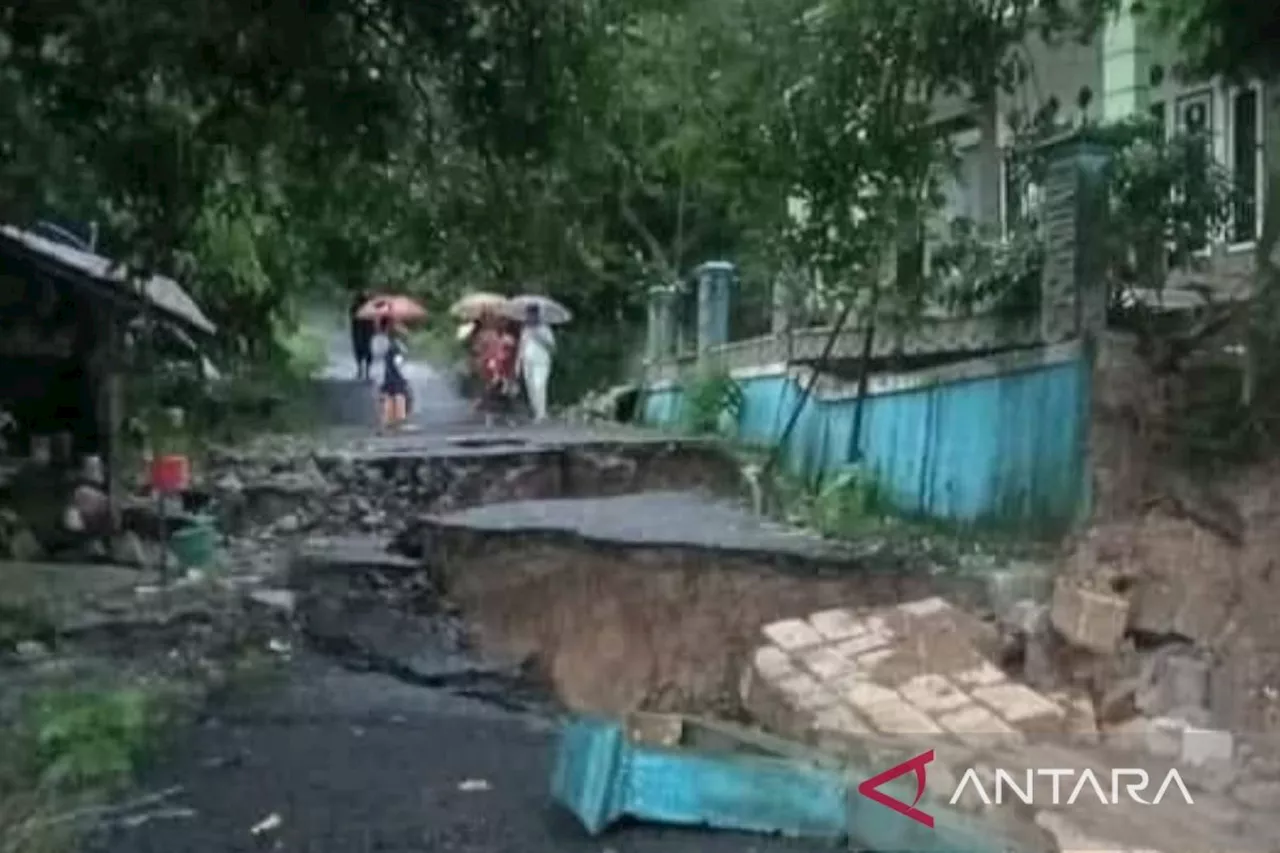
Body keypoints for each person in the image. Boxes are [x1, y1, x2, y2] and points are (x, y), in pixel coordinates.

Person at [517, 303, 555, 422]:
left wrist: (538, 337)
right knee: (531, 388)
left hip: (541, 361)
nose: (530, 317)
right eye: (528, 315)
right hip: (527, 362)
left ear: (537, 315)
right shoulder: (525, 329)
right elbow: (521, 347)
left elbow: (552, 347)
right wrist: (518, 363)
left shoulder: (545, 329)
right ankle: (536, 412)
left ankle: (541, 414)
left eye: (532, 314)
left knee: (539, 386)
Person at [379, 322, 410, 430]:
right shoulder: (397, 347)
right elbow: (398, 363)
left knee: (389, 396)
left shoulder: (390, 345)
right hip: (396, 376)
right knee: (399, 395)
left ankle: (388, 421)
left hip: (388, 375)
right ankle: (398, 421)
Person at [350, 290, 375, 381]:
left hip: (361, 332)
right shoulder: (359, 307)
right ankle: (364, 371)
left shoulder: (356, 307)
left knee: (362, 351)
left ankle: (362, 371)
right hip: (364, 332)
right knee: (366, 351)